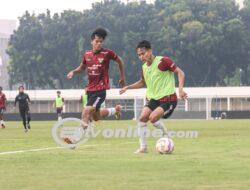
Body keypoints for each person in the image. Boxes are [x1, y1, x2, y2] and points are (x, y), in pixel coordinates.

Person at [120, 40, 187, 153]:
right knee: (142, 119)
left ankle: (166, 135)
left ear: (150, 51)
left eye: (143, 53)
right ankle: (143, 147)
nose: (141, 57)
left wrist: (180, 90)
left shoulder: (163, 61)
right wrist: (128, 87)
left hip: (168, 98)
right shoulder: (144, 67)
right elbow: (142, 82)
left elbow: (180, 73)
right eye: (139, 55)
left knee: (152, 118)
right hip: (154, 99)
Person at [66, 28, 125, 142]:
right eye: (97, 41)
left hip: (100, 90)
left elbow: (120, 61)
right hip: (90, 90)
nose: (99, 44)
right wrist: (73, 71)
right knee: (96, 117)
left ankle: (74, 139)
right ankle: (116, 110)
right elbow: (82, 68)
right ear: (91, 41)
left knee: (86, 111)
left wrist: (122, 77)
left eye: (101, 41)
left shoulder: (107, 53)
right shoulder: (87, 54)